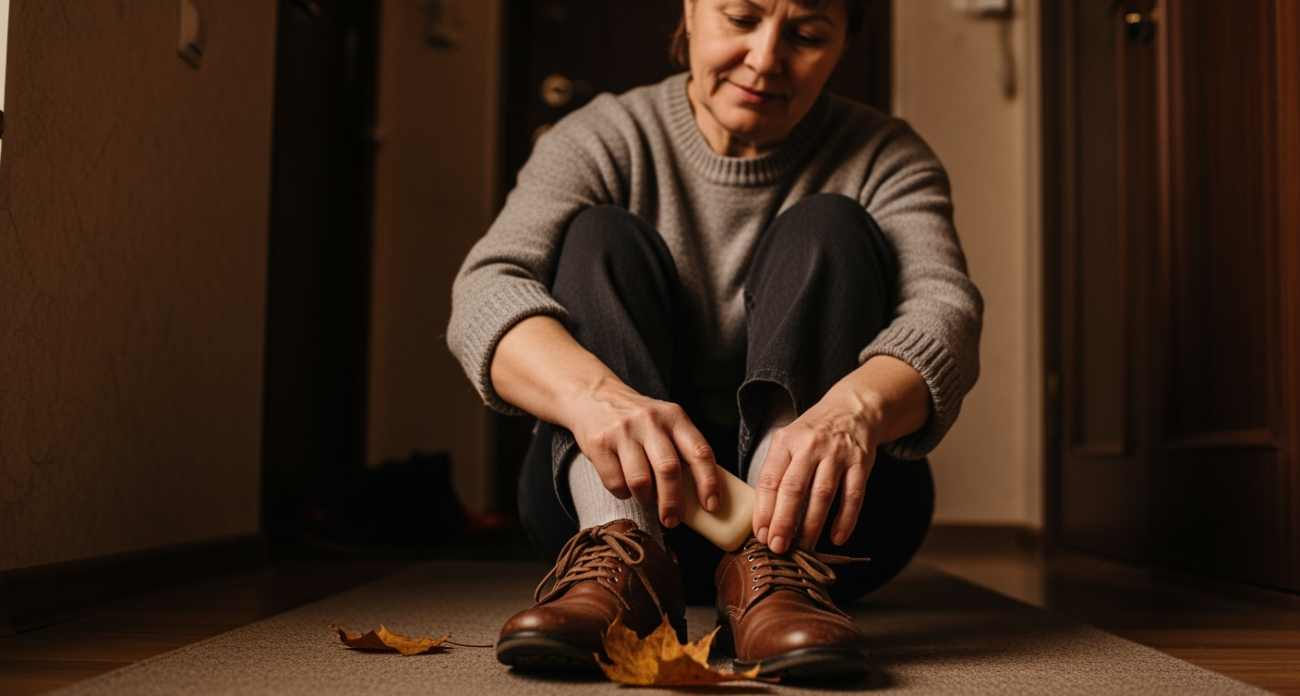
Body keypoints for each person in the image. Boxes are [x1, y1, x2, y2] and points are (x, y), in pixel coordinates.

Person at [447, 0, 982, 680]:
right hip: (607, 506)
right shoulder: (603, 136)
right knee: (599, 236)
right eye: (740, 18)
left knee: (829, 227)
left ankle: (777, 572)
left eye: (808, 35)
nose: (765, 59)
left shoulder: (886, 155)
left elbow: (947, 311)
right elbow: (486, 287)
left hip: (830, 530)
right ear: (692, 10)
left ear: (845, 40)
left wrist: (855, 413)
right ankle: (624, 558)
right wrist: (595, 399)